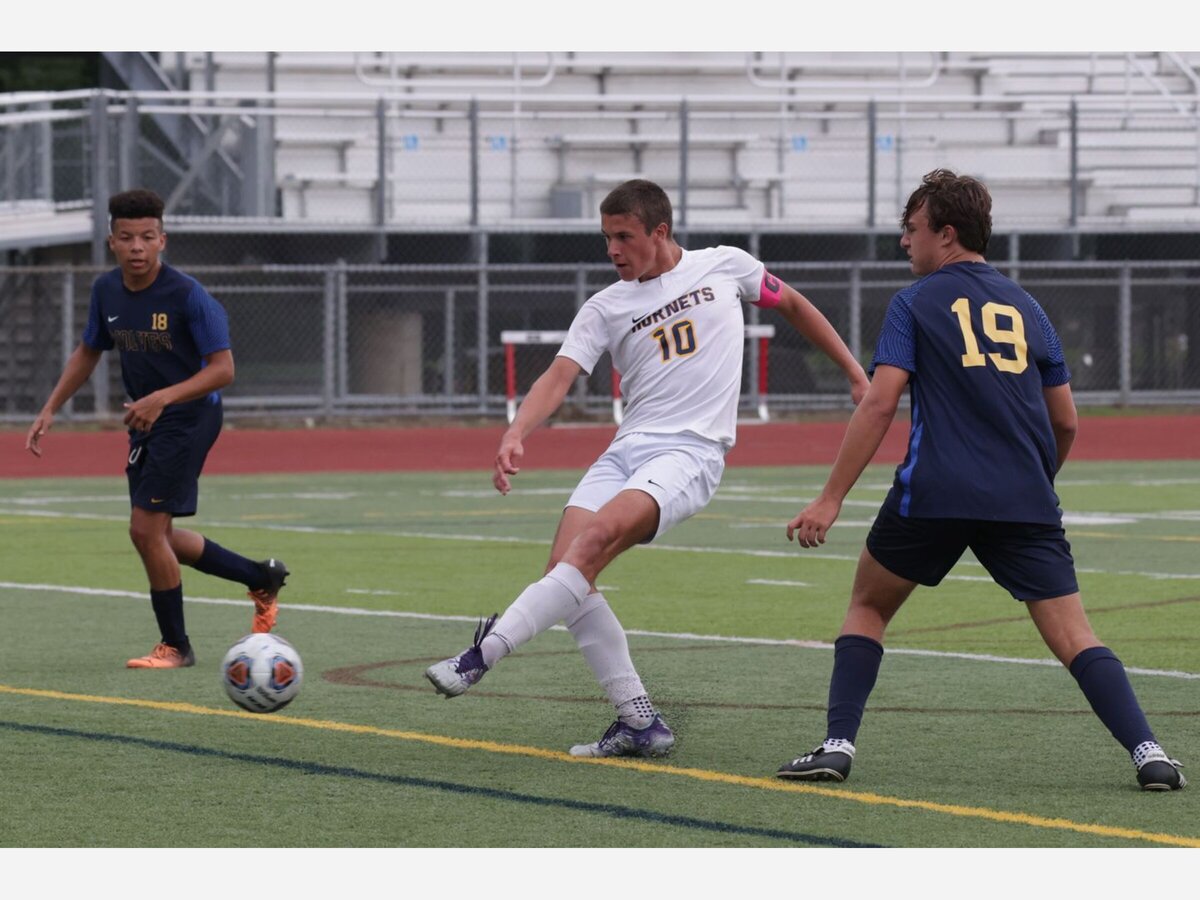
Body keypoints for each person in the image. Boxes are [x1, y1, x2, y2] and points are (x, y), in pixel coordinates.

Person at [426, 178, 870, 757]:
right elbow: (559, 375)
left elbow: (791, 302)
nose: (613, 249)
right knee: (565, 571)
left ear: (659, 232)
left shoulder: (725, 266)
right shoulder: (605, 306)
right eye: (606, 237)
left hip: (689, 452)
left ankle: (483, 654)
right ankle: (639, 721)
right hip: (625, 450)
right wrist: (517, 430)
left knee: (594, 543)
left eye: (624, 236)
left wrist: (855, 373)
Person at [775, 169, 1186, 791]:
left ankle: (837, 746)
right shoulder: (1028, 306)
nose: (903, 243)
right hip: (1023, 497)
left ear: (946, 233)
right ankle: (1150, 753)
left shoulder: (913, 302)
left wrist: (831, 497)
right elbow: (1066, 421)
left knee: (867, 607)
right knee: (1076, 636)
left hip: (934, 492)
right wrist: (1028, 479)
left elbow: (880, 403)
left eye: (911, 230)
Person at [25, 189, 289, 669]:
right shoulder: (106, 290)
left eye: (147, 237)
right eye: (127, 238)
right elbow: (88, 350)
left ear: (162, 239)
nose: (137, 247)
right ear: (112, 242)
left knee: (144, 529)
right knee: (157, 535)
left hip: (188, 418)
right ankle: (260, 575)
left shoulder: (189, 296)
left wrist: (163, 397)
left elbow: (223, 369)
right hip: (146, 420)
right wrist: (50, 407)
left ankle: (177, 647)